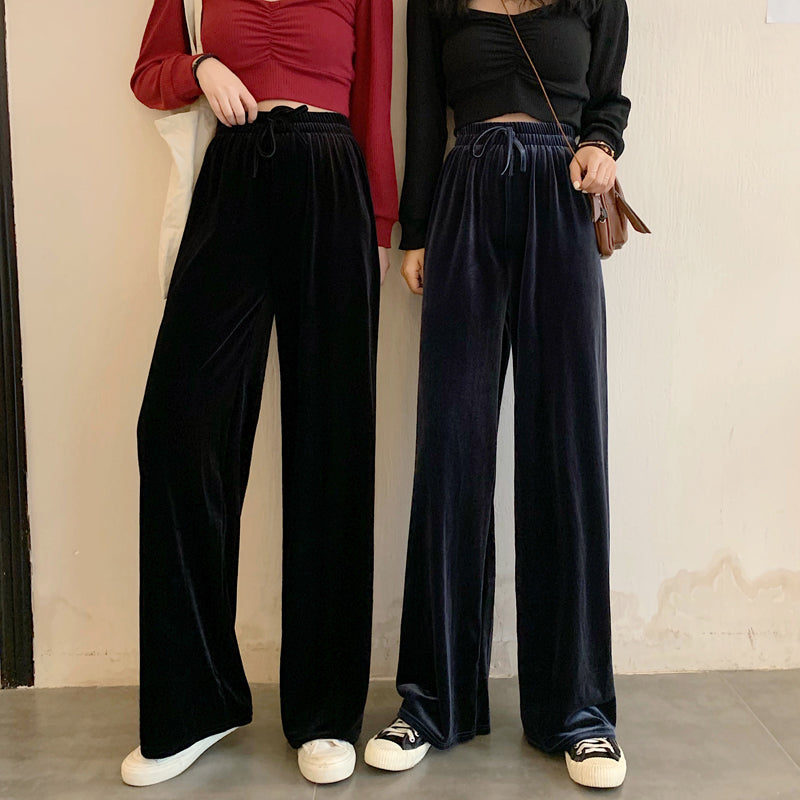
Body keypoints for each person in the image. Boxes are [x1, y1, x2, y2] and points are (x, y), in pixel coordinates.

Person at [121, 0, 397, 787]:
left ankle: (325, 712)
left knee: (332, 442)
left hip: (333, 180)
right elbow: (149, 73)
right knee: (176, 426)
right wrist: (200, 67)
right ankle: (194, 703)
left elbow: (375, 95)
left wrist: (380, 222)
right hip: (234, 177)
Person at [364, 0, 630, 789]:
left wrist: (601, 145)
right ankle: (433, 700)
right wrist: (416, 231)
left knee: (566, 450)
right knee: (451, 448)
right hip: (467, 195)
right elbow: (423, 115)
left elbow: (608, 97)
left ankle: (578, 711)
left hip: (560, 197)